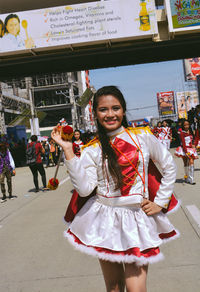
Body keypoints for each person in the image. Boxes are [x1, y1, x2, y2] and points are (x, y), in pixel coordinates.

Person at [51, 86, 179, 292]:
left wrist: (161, 202)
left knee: (135, 288)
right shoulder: (91, 149)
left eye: (115, 108)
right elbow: (84, 190)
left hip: (137, 217)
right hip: (104, 219)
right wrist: (68, 151)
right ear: (95, 114)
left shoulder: (143, 137)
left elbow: (169, 166)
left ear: (123, 110)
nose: (110, 114)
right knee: (114, 288)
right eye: (103, 110)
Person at [175, 120, 198, 185]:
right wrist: (186, 152)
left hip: (191, 149)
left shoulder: (190, 131)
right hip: (184, 149)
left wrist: (194, 144)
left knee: (191, 162)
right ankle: (187, 177)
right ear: (183, 126)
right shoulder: (182, 133)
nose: (186, 126)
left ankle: (191, 179)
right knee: (185, 163)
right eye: (185, 125)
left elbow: (193, 139)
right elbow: (183, 143)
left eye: (187, 124)